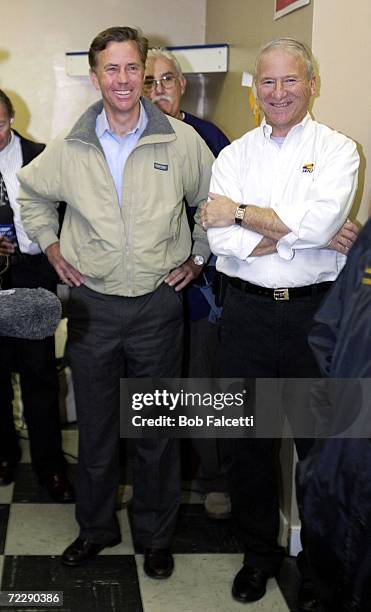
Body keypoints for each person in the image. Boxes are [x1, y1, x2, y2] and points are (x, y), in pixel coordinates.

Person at [18, 27, 213, 578]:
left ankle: (155, 537)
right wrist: (52, 244)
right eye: (112, 69)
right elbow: (31, 192)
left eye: (132, 68)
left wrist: (198, 258)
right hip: (93, 307)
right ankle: (96, 530)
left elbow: (211, 203)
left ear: (145, 71)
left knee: (155, 433)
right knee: (98, 430)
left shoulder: (180, 141)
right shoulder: (72, 145)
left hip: (157, 307)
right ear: (95, 75)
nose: (123, 80)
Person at [201, 38, 360, 610]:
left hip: (314, 318)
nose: (277, 93)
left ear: (311, 82)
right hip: (244, 313)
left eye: (289, 80)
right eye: (266, 83)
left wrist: (243, 216)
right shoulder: (234, 155)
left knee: (319, 451)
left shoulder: (340, 150)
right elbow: (218, 242)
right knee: (247, 443)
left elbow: (317, 228)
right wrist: (286, 235)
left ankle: (321, 567)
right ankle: (258, 557)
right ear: (255, 91)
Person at [144, 48, 231, 519]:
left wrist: (199, 260)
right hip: (143, 292)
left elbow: (227, 212)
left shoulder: (210, 137)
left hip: (198, 289)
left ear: (182, 85)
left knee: (200, 385)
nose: (159, 89)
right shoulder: (125, 139)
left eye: (167, 79)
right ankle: (155, 478)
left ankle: (213, 476)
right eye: (150, 81)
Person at [0, 90, 74, 503]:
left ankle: (51, 468)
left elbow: (63, 216)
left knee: (40, 376)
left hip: (31, 274)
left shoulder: (41, 156)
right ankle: (5, 454)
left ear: (12, 118)